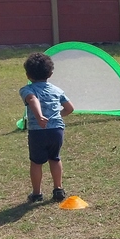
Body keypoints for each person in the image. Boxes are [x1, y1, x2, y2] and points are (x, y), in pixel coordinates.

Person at [20, 52, 74, 204]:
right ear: (50, 74)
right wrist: (56, 116)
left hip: (38, 132)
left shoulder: (26, 90)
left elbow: (32, 99)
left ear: (28, 75)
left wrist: (39, 117)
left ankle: (37, 193)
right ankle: (58, 189)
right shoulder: (57, 90)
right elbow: (70, 108)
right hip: (56, 130)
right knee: (55, 158)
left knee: (36, 162)